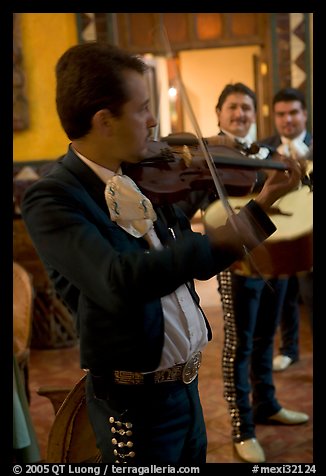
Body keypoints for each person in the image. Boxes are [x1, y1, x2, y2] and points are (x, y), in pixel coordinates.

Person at [21, 44, 302, 465]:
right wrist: (223, 235)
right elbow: (121, 280)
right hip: (135, 407)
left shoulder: (142, 175)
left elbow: (199, 262)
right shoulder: (53, 198)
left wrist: (260, 206)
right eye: (143, 108)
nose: (154, 121)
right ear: (104, 120)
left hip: (186, 393)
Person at [211, 83, 309, 463]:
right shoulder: (211, 157)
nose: (240, 114)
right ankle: (242, 427)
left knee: (268, 335)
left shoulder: (268, 154)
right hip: (235, 262)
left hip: (274, 257)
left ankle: (267, 403)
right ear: (218, 113)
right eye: (232, 107)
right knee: (240, 343)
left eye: (247, 108)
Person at [260, 87, 313, 372]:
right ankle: (289, 349)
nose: (287, 120)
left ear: (304, 114)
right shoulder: (263, 149)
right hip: (278, 233)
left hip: (310, 236)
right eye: (281, 114)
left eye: (293, 113)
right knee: (282, 297)